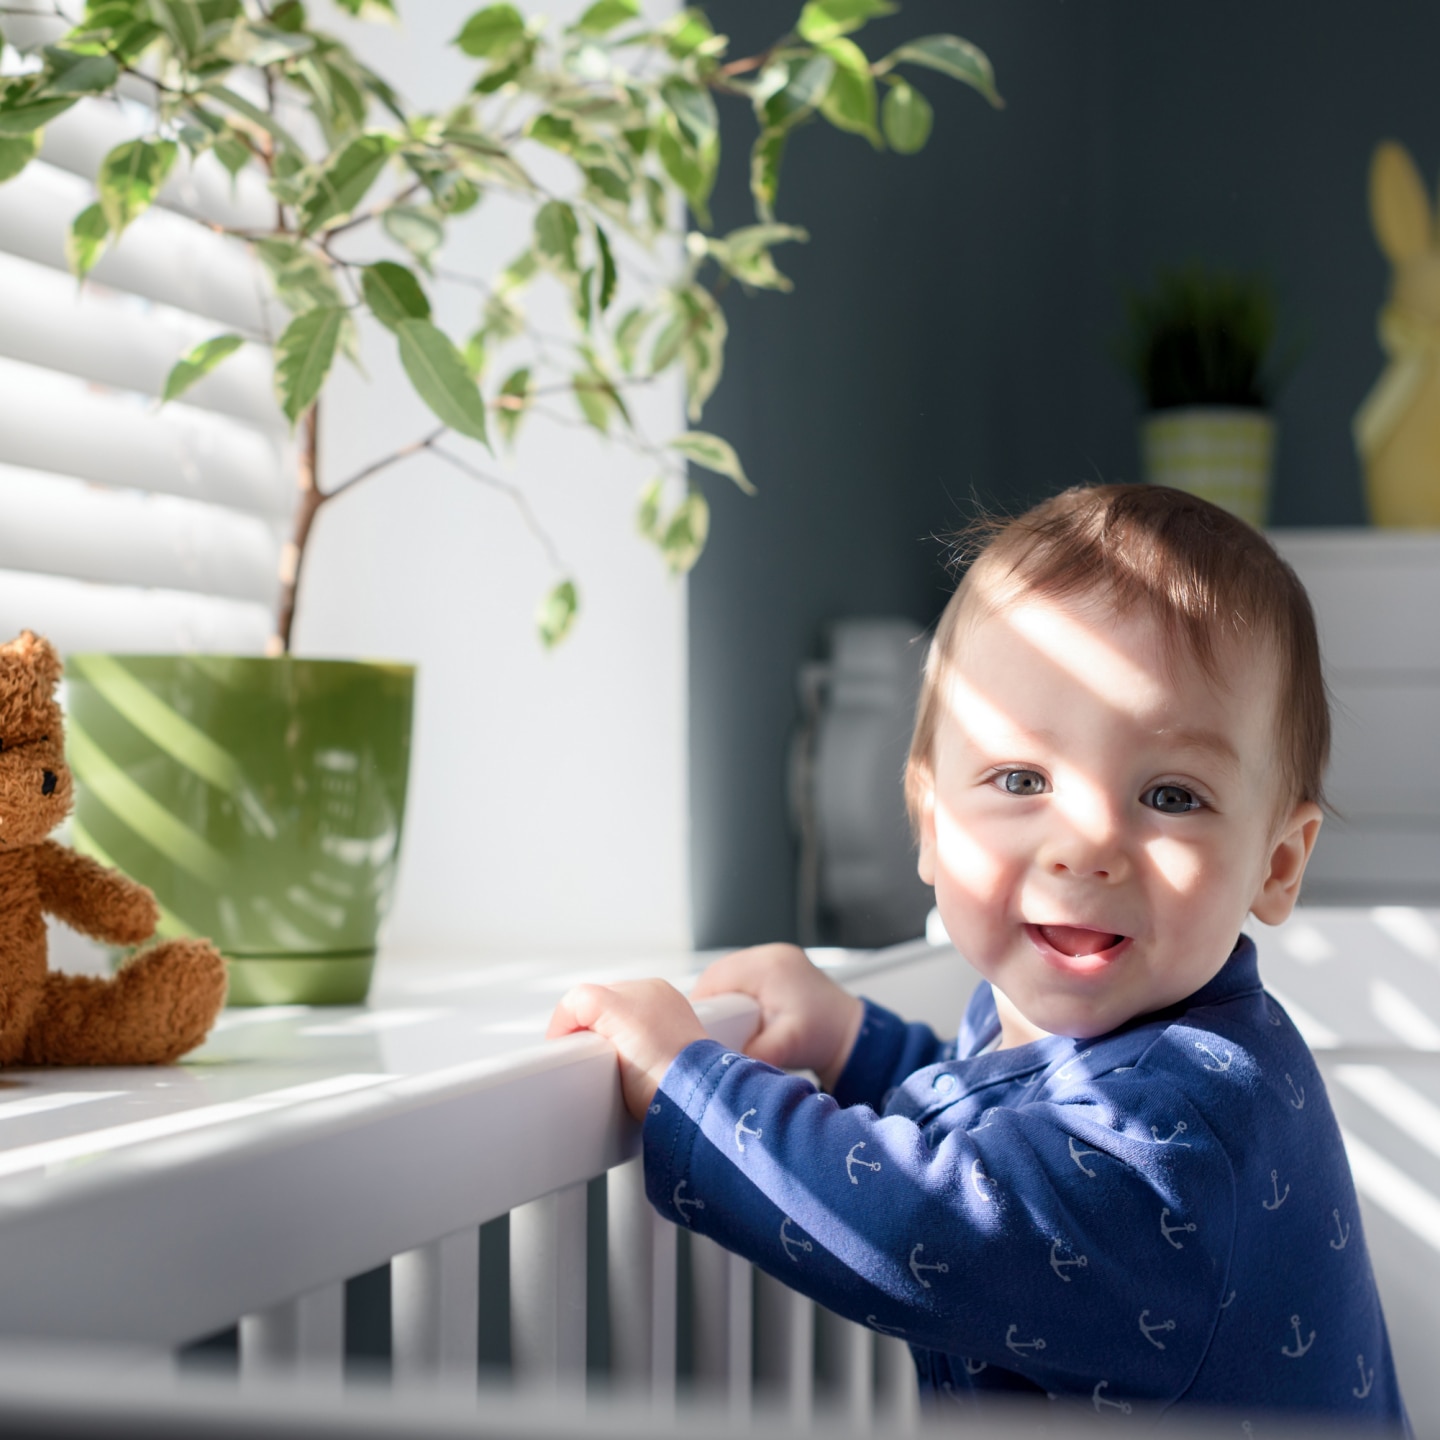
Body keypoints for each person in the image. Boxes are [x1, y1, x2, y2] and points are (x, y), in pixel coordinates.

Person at [547, 484, 1407, 1428]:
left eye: (1170, 795)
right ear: (928, 818)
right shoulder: (1085, 1031)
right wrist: (853, 1043)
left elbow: (933, 1222)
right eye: (1021, 779)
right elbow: (1006, 1132)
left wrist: (687, 1082)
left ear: (1276, 865)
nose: (1086, 843)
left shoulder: (1192, 1132)